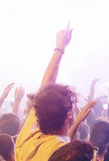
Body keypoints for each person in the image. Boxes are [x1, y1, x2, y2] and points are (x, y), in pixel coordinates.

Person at [15, 26, 75, 161]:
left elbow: (46, 86)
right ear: (68, 115)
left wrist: (60, 48)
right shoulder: (62, 152)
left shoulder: (27, 138)